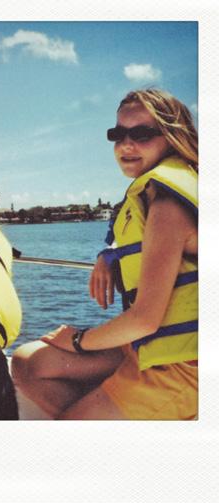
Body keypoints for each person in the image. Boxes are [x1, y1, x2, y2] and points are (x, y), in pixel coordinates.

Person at [11, 88, 198, 420]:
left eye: (142, 134)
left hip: (183, 365)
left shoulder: (169, 203)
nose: (126, 145)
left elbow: (144, 319)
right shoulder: (157, 191)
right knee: (29, 363)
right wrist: (109, 255)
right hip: (148, 347)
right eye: (118, 134)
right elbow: (140, 240)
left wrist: (78, 340)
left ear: (172, 135)